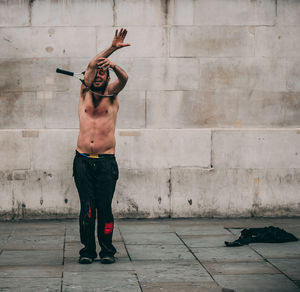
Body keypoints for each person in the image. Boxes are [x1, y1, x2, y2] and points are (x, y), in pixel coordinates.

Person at [72, 28, 130, 264]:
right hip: (83, 160)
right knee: (87, 208)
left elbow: (124, 79)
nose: (98, 76)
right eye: (96, 73)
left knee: (104, 208)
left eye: (102, 74)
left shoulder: (112, 95)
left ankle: (107, 251)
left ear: (107, 78)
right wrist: (112, 47)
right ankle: (87, 251)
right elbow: (92, 64)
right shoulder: (84, 93)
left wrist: (113, 65)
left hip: (106, 162)